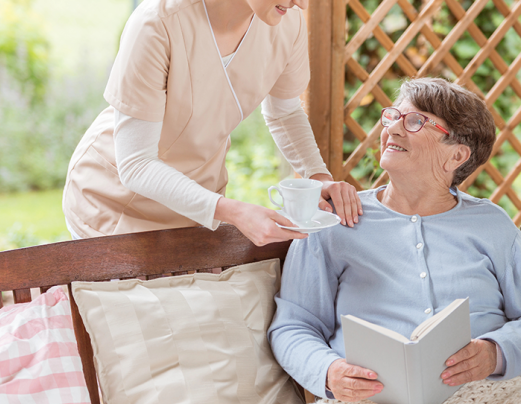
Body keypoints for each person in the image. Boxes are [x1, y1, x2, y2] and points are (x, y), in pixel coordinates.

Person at [267, 77, 521, 402]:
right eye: (393, 116)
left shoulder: (492, 225)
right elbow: (293, 326)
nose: (393, 129)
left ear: (457, 156)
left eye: (415, 121)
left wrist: (494, 353)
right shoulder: (332, 221)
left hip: (490, 398)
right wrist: (329, 372)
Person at [62, 0, 362, 246]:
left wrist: (318, 176)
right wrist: (234, 212)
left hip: (196, 206)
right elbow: (137, 164)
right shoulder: (157, 23)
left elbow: (284, 112)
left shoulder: (288, 23)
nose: (302, 4)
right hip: (114, 204)